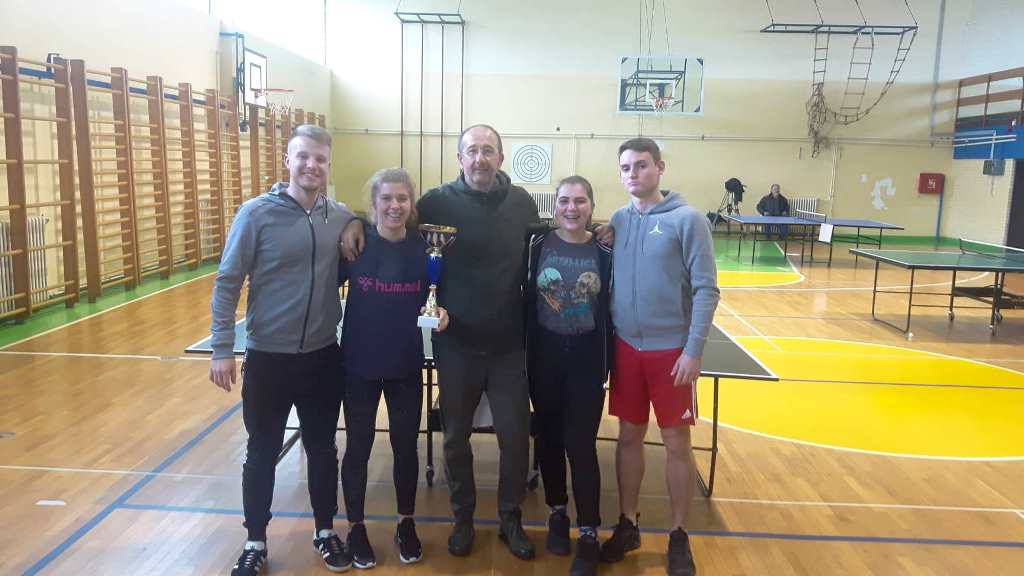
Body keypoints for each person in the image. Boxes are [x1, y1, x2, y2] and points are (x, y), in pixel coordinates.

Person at [209, 124, 358, 575]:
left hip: (322, 357)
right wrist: (221, 347)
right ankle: (254, 542)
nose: (312, 165)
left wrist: (357, 224)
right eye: (303, 157)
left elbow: (361, 234)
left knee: (322, 450)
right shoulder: (255, 214)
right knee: (261, 452)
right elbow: (227, 281)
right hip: (268, 358)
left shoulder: (340, 216)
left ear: (329, 165)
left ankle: (325, 531)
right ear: (288, 161)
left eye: (320, 158)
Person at [599, 138, 720, 576]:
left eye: (641, 165)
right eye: (626, 168)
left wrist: (693, 350)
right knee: (628, 438)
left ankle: (678, 534)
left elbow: (707, 289)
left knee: (675, 444)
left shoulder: (689, 220)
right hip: (626, 350)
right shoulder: (618, 220)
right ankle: (627, 523)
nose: (633, 174)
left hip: (672, 354)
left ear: (660, 168)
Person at [337, 167, 449, 568]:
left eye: (402, 198)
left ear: (411, 204)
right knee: (358, 448)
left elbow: (439, 298)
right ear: (373, 203)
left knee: (405, 447)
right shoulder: (356, 245)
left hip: (405, 366)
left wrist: (443, 313)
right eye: (386, 198)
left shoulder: (426, 250)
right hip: (359, 366)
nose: (394, 206)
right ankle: (356, 527)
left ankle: (406, 522)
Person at [524, 175, 612, 576]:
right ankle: (557, 512)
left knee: (580, 444)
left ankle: (589, 530)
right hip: (544, 357)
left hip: (586, 360)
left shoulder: (606, 249)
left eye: (580, 201)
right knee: (548, 438)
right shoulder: (536, 243)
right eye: (564, 201)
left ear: (591, 206)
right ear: (555, 205)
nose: (571, 208)